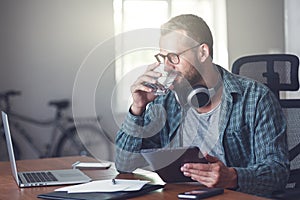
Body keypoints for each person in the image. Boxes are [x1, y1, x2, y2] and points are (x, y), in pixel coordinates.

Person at [115, 14, 289, 197]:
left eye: (173, 57)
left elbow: (278, 172)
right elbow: (124, 164)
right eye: (162, 57)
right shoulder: (165, 101)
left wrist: (233, 177)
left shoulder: (256, 98)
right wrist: (138, 107)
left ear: (203, 52)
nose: (165, 67)